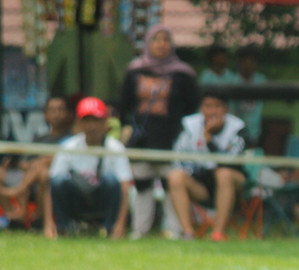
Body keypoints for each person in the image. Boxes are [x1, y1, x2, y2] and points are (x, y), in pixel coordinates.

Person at [120, 24, 200, 239]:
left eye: (166, 39)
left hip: (172, 137)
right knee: (142, 183)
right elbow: (125, 104)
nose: (161, 44)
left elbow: (192, 106)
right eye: (156, 39)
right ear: (148, 43)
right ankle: (140, 229)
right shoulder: (135, 70)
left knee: (170, 183)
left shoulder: (183, 74)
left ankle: (174, 229)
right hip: (142, 138)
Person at [46, 97, 133, 240]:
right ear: (78, 123)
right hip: (77, 199)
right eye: (86, 120)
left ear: (105, 121)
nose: (91, 126)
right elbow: (51, 186)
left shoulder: (116, 148)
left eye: (96, 120)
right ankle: (64, 228)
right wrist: (48, 223)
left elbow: (125, 187)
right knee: (58, 181)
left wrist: (120, 224)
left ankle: (109, 228)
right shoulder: (68, 146)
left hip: (103, 200)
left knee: (111, 180)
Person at [166, 92, 248, 241]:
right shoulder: (189, 125)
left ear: (226, 109)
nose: (212, 111)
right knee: (175, 176)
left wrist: (209, 141)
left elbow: (232, 161)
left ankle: (218, 232)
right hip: (201, 183)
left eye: (217, 106)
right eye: (208, 106)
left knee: (223, 174)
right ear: (200, 109)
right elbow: (179, 158)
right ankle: (188, 233)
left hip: (233, 185)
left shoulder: (237, 127)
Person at [0, 95, 74, 229]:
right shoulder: (40, 138)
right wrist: (29, 166)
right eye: (52, 110)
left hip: (52, 178)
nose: (56, 114)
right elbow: (25, 162)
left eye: (60, 110)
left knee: (43, 171)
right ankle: (14, 216)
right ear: (45, 114)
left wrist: (40, 163)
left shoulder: (72, 139)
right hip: (29, 176)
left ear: (69, 114)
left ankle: (37, 216)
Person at [233, 46, 267, 147]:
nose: (249, 64)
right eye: (245, 60)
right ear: (240, 62)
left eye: (252, 61)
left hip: (256, 130)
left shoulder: (261, 80)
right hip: (236, 130)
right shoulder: (233, 81)